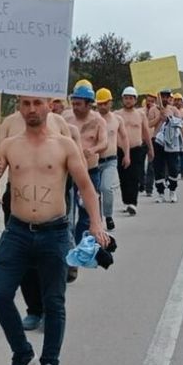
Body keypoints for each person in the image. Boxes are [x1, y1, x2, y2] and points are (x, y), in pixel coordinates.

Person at [0, 96, 109, 365]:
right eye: (25, 104)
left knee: (54, 302)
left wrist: (95, 222)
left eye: (37, 103)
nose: (31, 109)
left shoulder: (63, 145)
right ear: (19, 107)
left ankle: (50, 364)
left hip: (54, 232)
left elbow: (86, 187)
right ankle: (22, 353)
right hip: (17, 231)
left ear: (48, 106)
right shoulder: (9, 144)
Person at [0, 107, 78, 331]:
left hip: (52, 198)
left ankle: (51, 309)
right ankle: (34, 309)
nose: (32, 106)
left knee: (50, 259)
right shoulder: (9, 123)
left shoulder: (58, 122)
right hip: (18, 201)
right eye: (26, 100)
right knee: (24, 260)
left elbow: (70, 163)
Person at [62, 84, 108, 246]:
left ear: (89, 104)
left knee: (86, 211)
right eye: (73, 103)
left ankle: (79, 243)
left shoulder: (97, 121)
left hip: (89, 172)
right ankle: (69, 244)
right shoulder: (65, 118)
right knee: (66, 212)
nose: (75, 107)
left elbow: (104, 142)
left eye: (79, 104)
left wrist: (93, 149)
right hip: (68, 174)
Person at [115, 86, 154, 215]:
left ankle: (133, 202)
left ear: (135, 100)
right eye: (126, 98)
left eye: (131, 98)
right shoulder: (117, 115)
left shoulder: (140, 115)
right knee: (123, 176)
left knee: (135, 176)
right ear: (122, 99)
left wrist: (150, 148)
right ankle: (126, 201)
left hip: (137, 149)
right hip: (120, 150)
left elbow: (146, 132)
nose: (128, 101)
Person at [95, 88, 129, 231]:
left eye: (105, 103)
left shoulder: (117, 119)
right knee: (94, 192)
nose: (102, 106)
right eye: (100, 104)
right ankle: (96, 219)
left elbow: (124, 136)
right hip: (94, 162)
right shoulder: (93, 119)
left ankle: (108, 216)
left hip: (110, 160)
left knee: (106, 188)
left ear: (110, 103)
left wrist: (127, 154)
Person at [142, 94, 162, 196]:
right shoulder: (140, 111)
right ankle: (141, 184)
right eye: (148, 100)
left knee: (151, 164)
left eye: (152, 101)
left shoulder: (157, 110)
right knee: (140, 165)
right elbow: (149, 123)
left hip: (152, 140)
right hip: (141, 140)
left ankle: (148, 188)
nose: (149, 103)